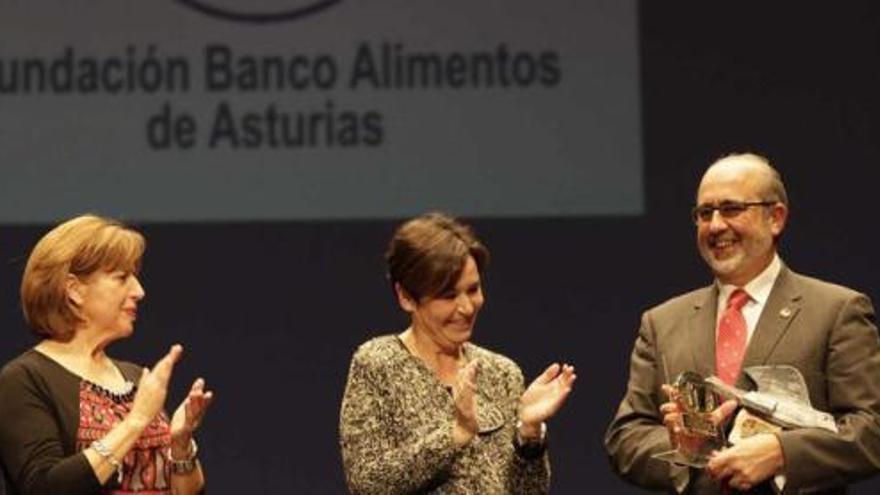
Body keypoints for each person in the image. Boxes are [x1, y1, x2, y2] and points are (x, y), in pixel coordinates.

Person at [605, 153, 880, 493]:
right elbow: (626, 437)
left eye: (732, 209)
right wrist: (684, 452)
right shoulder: (662, 322)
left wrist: (783, 454)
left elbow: (871, 429)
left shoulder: (835, 311)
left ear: (775, 218)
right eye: (705, 213)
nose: (716, 225)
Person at [339, 212, 576, 494]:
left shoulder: (502, 373)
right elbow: (366, 484)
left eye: (473, 289)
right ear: (406, 297)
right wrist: (455, 435)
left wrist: (529, 434)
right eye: (448, 296)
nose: (466, 307)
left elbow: (529, 492)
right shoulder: (378, 365)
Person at [0, 214, 214, 495]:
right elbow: (42, 487)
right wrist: (135, 422)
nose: (139, 291)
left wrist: (181, 445)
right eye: (121, 277)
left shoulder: (134, 377)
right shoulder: (25, 379)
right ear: (74, 290)